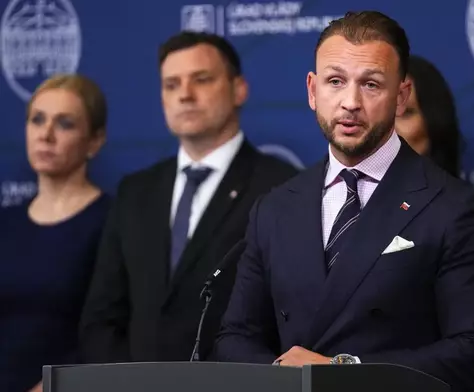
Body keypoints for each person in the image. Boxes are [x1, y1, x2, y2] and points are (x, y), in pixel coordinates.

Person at [215, 11, 474, 392]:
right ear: (312, 90)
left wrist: (341, 372)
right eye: (335, 81)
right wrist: (284, 376)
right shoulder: (274, 208)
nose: (350, 102)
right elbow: (235, 337)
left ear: (401, 96)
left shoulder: (456, 209)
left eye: (371, 84)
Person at [79, 32, 298, 363]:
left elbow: (290, 314)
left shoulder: (281, 187)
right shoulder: (135, 192)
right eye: (171, 84)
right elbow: (101, 317)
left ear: (239, 89)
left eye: (202, 79)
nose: (185, 94)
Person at [0, 74, 110, 392]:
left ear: (95, 140)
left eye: (65, 124)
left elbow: (108, 333)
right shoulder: (6, 223)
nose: (46, 134)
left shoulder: (114, 222)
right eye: (37, 120)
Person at [395, 54, 474, 230]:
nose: (389, 129)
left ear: (434, 121)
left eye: (405, 114)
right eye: (383, 113)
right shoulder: (343, 207)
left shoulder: (472, 210)